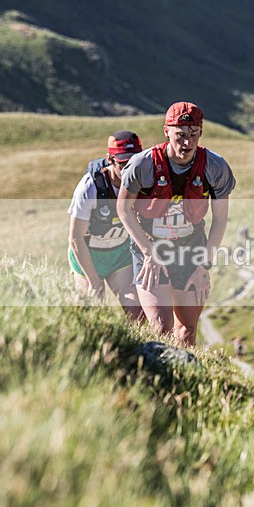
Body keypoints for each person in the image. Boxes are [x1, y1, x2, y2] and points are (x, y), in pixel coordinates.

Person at [117, 102, 236, 347]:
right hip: (150, 249)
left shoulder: (216, 167)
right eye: (180, 134)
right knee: (161, 326)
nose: (187, 142)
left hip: (190, 248)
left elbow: (220, 219)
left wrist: (204, 266)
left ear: (201, 132)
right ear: (166, 131)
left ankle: (185, 377)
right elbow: (124, 209)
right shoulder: (143, 165)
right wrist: (148, 253)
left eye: (193, 134)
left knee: (188, 329)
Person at [67, 130, 144, 321]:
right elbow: (75, 239)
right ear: (110, 159)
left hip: (120, 256)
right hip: (87, 256)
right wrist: (94, 280)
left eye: (135, 163)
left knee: (138, 314)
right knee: (92, 313)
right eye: (123, 164)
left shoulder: (143, 181)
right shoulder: (89, 187)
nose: (130, 170)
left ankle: (136, 349)